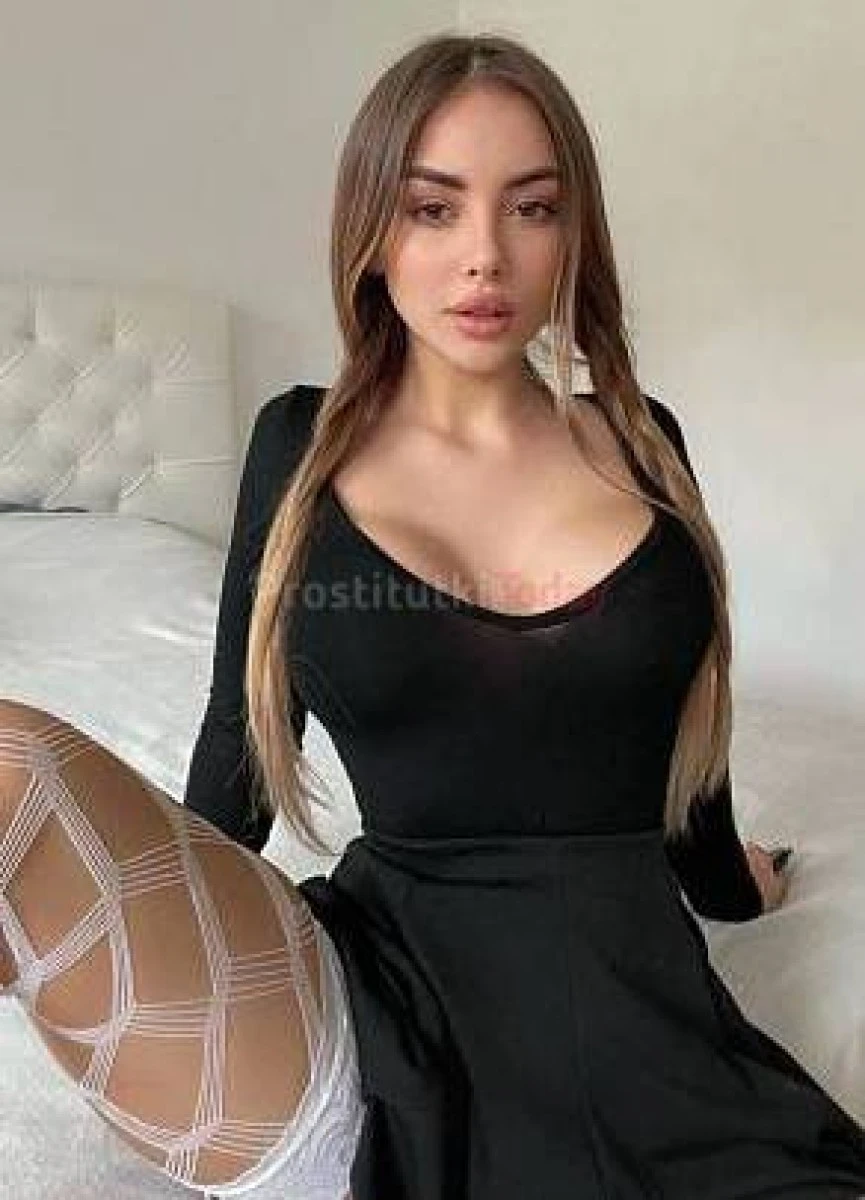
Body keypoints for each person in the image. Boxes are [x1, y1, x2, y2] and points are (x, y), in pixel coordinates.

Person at [2, 29, 865, 1200]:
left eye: (531, 208)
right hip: (381, 1008)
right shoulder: (300, 449)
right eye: (433, 208)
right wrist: (184, 902)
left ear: (573, 234)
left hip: (633, 1023)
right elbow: (240, 742)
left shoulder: (643, 444)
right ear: (374, 231)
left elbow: (681, 735)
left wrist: (731, 885)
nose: (484, 257)